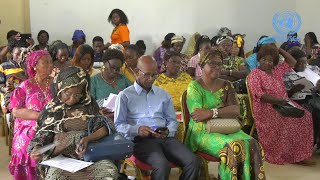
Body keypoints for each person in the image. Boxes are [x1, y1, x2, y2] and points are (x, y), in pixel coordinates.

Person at [115, 55, 200, 180]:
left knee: (192, 161)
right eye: (147, 75)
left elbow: (172, 120)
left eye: (154, 75)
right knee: (162, 164)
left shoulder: (162, 94)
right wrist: (137, 130)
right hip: (141, 141)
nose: (151, 79)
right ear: (137, 72)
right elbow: (118, 125)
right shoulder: (125, 96)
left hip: (165, 138)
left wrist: (168, 131)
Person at [185, 49, 265, 179]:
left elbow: (235, 111)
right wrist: (223, 111)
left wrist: (212, 112)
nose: (217, 67)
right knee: (234, 146)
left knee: (252, 143)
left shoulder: (227, 85)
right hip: (202, 132)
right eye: (212, 64)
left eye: (220, 64)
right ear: (201, 66)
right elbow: (198, 116)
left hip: (226, 127)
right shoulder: (194, 86)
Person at [29, 66, 119, 180]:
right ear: (59, 90)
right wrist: (37, 149)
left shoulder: (90, 104)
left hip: (91, 156)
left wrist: (89, 138)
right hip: (61, 159)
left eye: (77, 94)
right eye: (68, 94)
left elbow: (104, 128)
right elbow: (42, 136)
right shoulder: (51, 110)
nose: (73, 99)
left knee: (109, 172)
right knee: (54, 177)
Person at [247, 45, 315, 165]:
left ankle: (298, 154)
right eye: (264, 59)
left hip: (284, 103)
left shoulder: (277, 70)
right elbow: (260, 96)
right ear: (259, 59)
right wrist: (278, 101)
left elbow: (293, 61)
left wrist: (279, 49)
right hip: (267, 107)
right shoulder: (255, 75)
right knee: (288, 119)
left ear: (275, 61)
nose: (267, 63)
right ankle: (283, 154)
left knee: (306, 116)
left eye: (270, 60)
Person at [9, 50, 54, 179]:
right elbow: (16, 110)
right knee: (31, 137)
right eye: (45, 63)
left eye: (51, 62)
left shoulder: (56, 84)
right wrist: (40, 116)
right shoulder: (26, 86)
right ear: (35, 65)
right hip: (30, 125)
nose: (50, 65)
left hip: (54, 122)